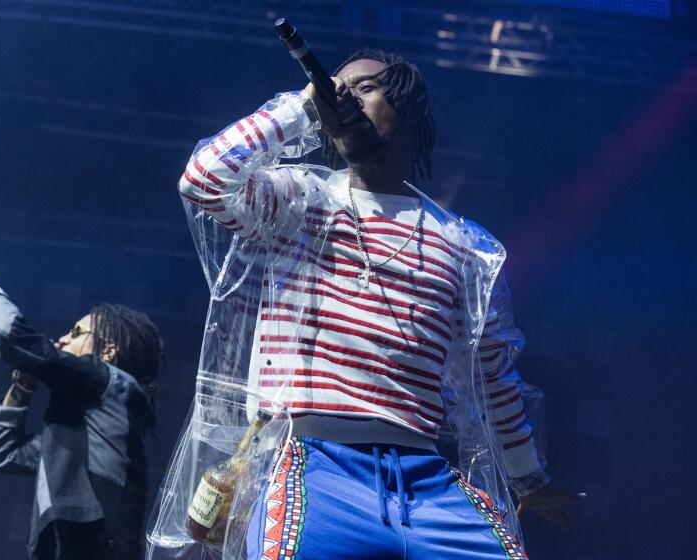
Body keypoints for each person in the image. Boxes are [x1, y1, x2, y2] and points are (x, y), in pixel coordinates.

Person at [171, 49, 581, 559]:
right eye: (334, 92)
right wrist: (301, 106)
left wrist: (527, 481)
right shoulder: (300, 201)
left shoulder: (462, 245)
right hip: (315, 471)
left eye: (362, 88)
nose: (343, 99)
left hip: (427, 480)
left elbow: (491, 380)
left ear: (406, 104)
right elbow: (205, 178)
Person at [0, 228, 163, 560]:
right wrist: (22, 388)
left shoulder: (112, 383)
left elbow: (17, 338)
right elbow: (4, 453)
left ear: (110, 349)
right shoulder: (80, 426)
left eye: (76, 332)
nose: (61, 339)